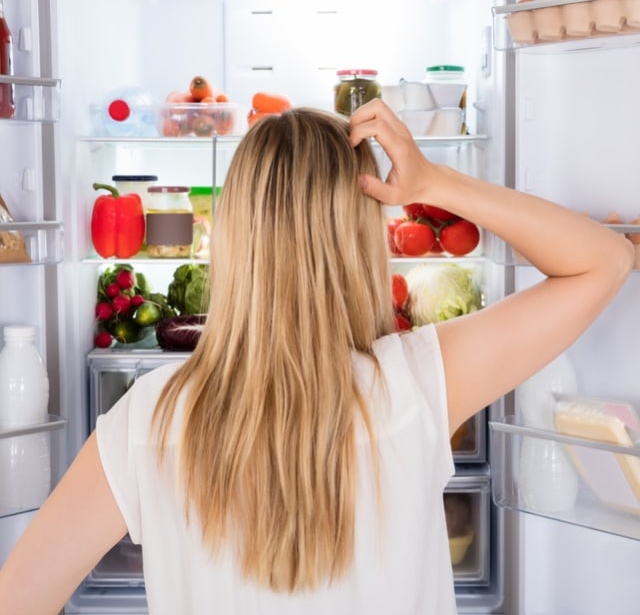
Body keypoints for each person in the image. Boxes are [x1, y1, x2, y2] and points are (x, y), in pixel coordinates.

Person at [0, 100, 633, 615]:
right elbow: (604, 260)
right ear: (360, 237)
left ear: (236, 235)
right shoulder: (415, 382)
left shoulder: (148, 420)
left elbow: (19, 596)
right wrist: (436, 182)